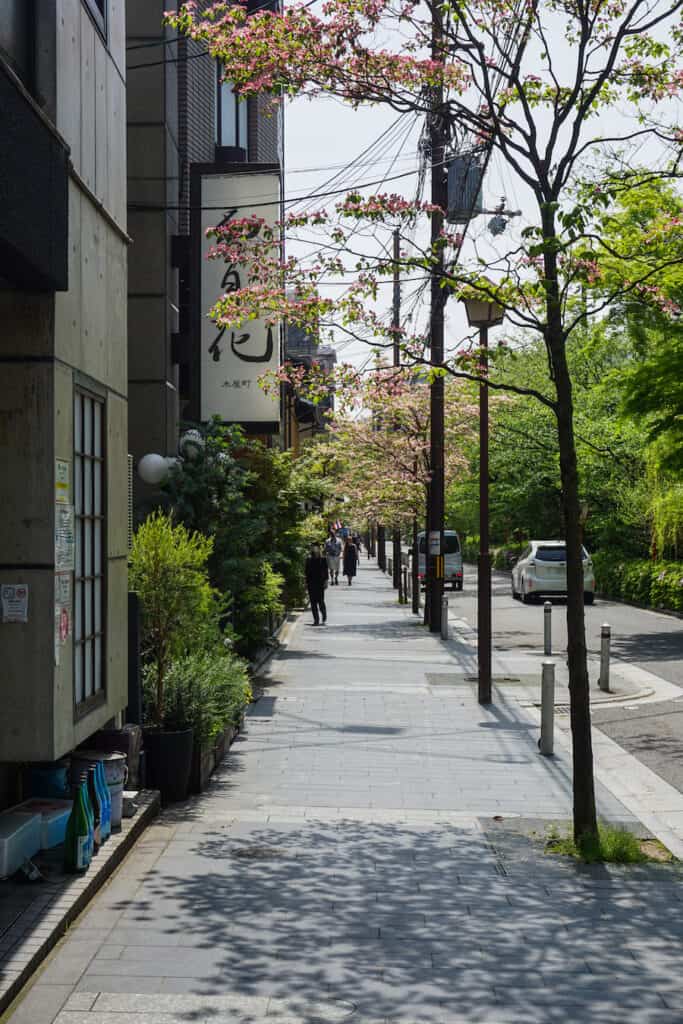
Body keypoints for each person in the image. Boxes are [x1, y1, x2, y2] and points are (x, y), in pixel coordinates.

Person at [305, 543, 328, 625]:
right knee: (313, 602)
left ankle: (324, 613)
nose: (315, 549)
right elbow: (306, 572)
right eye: (313, 548)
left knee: (320, 601)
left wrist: (326, 582)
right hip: (311, 583)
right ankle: (316, 619)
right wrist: (305, 583)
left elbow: (325, 572)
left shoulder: (323, 559)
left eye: (316, 548)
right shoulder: (309, 559)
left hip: (320, 583)